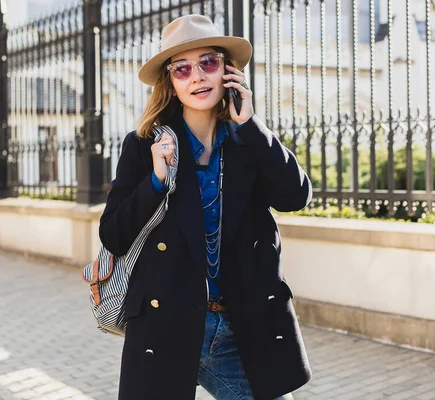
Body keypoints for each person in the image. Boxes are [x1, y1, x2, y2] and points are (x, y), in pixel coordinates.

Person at [99, 14, 312, 400]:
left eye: (208, 63)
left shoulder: (248, 143)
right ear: (171, 83)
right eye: (182, 69)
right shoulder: (143, 144)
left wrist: (253, 128)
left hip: (241, 328)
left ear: (227, 72)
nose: (196, 76)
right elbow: (113, 234)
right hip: (166, 326)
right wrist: (156, 182)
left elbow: (294, 197)